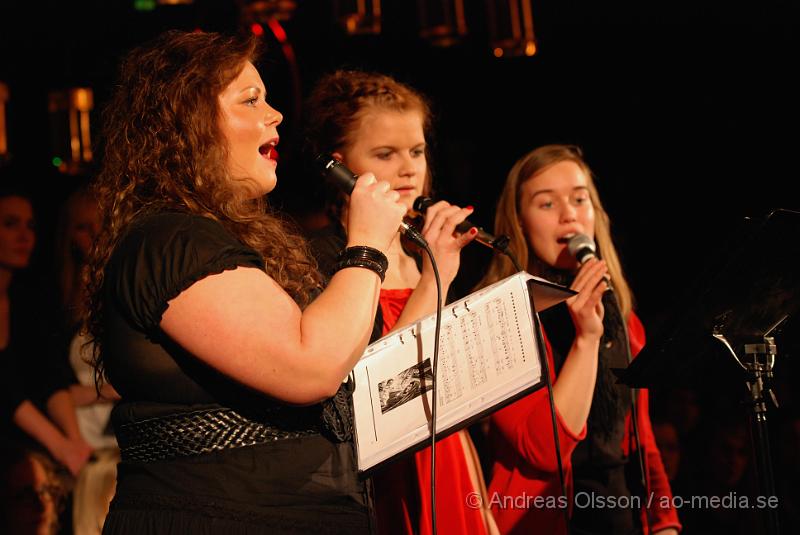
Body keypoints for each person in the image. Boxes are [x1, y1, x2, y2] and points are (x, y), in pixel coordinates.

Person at [85, 31, 407, 534]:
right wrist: (365, 245)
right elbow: (310, 369)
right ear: (188, 122)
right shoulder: (172, 239)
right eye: (250, 100)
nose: (274, 114)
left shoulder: (223, 239)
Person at [303, 69, 497, 535]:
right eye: (385, 154)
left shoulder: (427, 251)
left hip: (447, 453)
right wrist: (435, 278)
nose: (409, 168)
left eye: (416, 151)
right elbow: (380, 391)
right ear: (342, 165)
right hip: (382, 474)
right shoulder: (326, 259)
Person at [478, 144, 680, 534]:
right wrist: (586, 338)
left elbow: (641, 441)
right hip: (540, 520)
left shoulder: (623, 318)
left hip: (619, 516)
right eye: (546, 204)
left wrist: (663, 523)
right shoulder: (499, 318)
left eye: (579, 199)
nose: (569, 214)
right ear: (519, 222)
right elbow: (543, 449)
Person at [0, 180, 92, 478]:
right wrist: (60, 445)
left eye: (30, 225)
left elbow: (49, 375)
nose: (24, 236)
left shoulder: (25, 300)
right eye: (10, 224)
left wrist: (74, 441)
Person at [53, 183, 120, 535]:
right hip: (79, 450)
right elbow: (46, 384)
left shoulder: (124, 293)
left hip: (122, 450)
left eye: (100, 225)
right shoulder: (58, 306)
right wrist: (99, 392)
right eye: (83, 227)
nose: (94, 236)